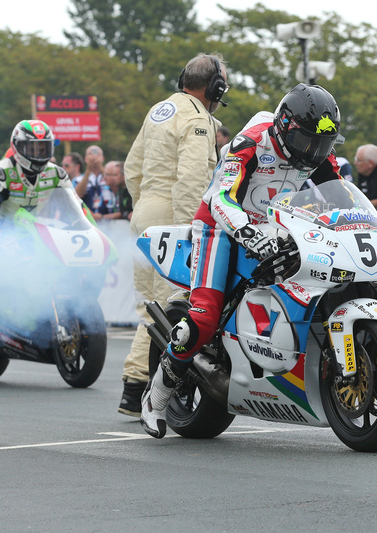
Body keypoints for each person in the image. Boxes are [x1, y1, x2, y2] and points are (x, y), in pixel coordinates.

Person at [140, 83, 344, 438]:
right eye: (307, 142)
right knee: (202, 318)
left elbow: (339, 195)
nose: (313, 151)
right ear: (283, 127)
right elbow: (220, 197)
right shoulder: (249, 143)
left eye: (322, 144)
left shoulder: (316, 151)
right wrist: (248, 232)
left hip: (277, 227)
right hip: (219, 225)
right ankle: (155, 397)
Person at [119, 53, 226, 418]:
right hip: (172, 216)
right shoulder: (198, 118)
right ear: (216, 87)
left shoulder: (159, 110)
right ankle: (139, 392)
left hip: (145, 212)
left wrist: (143, 207)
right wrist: (191, 231)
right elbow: (192, 180)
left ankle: (133, 391)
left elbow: (132, 168)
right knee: (172, 308)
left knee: (150, 307)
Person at [0, 120, 71, 231]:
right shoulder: (1, 172)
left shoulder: (58, 173)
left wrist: (93, 232)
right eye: (31, 149)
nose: (38, 155)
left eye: (42, 150)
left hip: (35, 230)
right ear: (16, 145)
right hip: (3, 231)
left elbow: (78, 207)